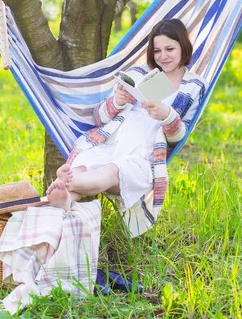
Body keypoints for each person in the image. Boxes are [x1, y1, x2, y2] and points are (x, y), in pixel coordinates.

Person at [46, 18, 207, 236]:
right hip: (112, 141)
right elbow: (99, 118)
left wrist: (167, 116)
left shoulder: (194, 86)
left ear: (183, 46)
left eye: (170, 49)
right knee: (88, 163)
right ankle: (65, 197)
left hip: (142, 156)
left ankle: (66, 183)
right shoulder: (139, 74)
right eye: (157, 50)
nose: (163, 56)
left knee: (111, 170)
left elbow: (180, 137)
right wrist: (118, 101)